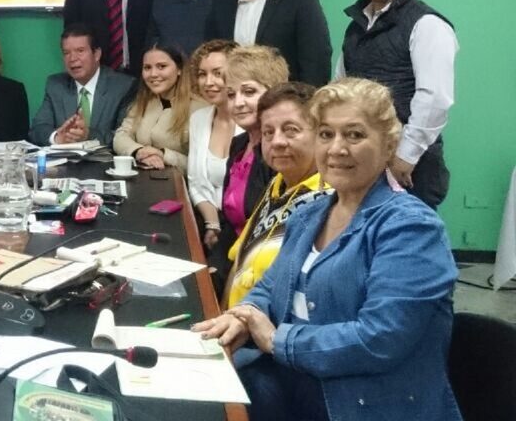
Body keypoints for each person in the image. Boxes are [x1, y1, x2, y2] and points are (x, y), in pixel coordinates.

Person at [194, 78, 461, 421]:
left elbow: (379, 339)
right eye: (326, 134)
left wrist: (278, 340)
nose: (337, 149)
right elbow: (272, 285)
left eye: (354, 135)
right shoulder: (309, 214)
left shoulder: (411, 228)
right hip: (298, 383)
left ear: (389, 143)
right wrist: (243, 316)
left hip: (362, 404)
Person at [338, 0, 457, 208]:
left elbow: (434, 98)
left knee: (407, 241)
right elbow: (341, 89)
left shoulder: (428, 24)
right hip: (360, 155)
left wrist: (407, 155)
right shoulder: (356, 26)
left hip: (409, 163)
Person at [224, 82, 331, 309]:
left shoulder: (329, 201)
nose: (277, 142)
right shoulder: (277, 185)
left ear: (320, 134)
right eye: (268, 132)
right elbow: (238, 265)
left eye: (291, 130)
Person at [207, 45, 289, 293]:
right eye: (231, 94)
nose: (238, 103)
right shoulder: (239, 144)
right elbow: (229, 221)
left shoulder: (280, 154)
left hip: (260, 279)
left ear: (274, 94)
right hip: (232, 262)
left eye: (249, 92)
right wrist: (213, 270)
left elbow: (272, 240)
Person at [29, 23, 135, 147]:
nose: (73, 58)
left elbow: (125, 137)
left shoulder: (123, 86)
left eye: (80, 51)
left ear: (96, 54)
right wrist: (58, 137)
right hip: (64, 163)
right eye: (66, 53)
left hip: (105, 164)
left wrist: (88, 135)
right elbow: (37, 130)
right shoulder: (56, 85)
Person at [113, 44, 202, 169]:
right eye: (147, 68)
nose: (153, 74)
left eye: (162, 66)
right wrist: (139, 151)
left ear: (179, 69)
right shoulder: (143, 102)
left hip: (180, 185)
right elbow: (121, 136)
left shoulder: (200, 108)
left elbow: (203, 165)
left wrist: (163, 155)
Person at [186, 39, 240, 245]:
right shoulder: (198, 118)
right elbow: (195, 182)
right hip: (209, 220)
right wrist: (212, 225)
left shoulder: (256, 124)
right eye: (202, 74)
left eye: (217, 73)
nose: (208, 82)